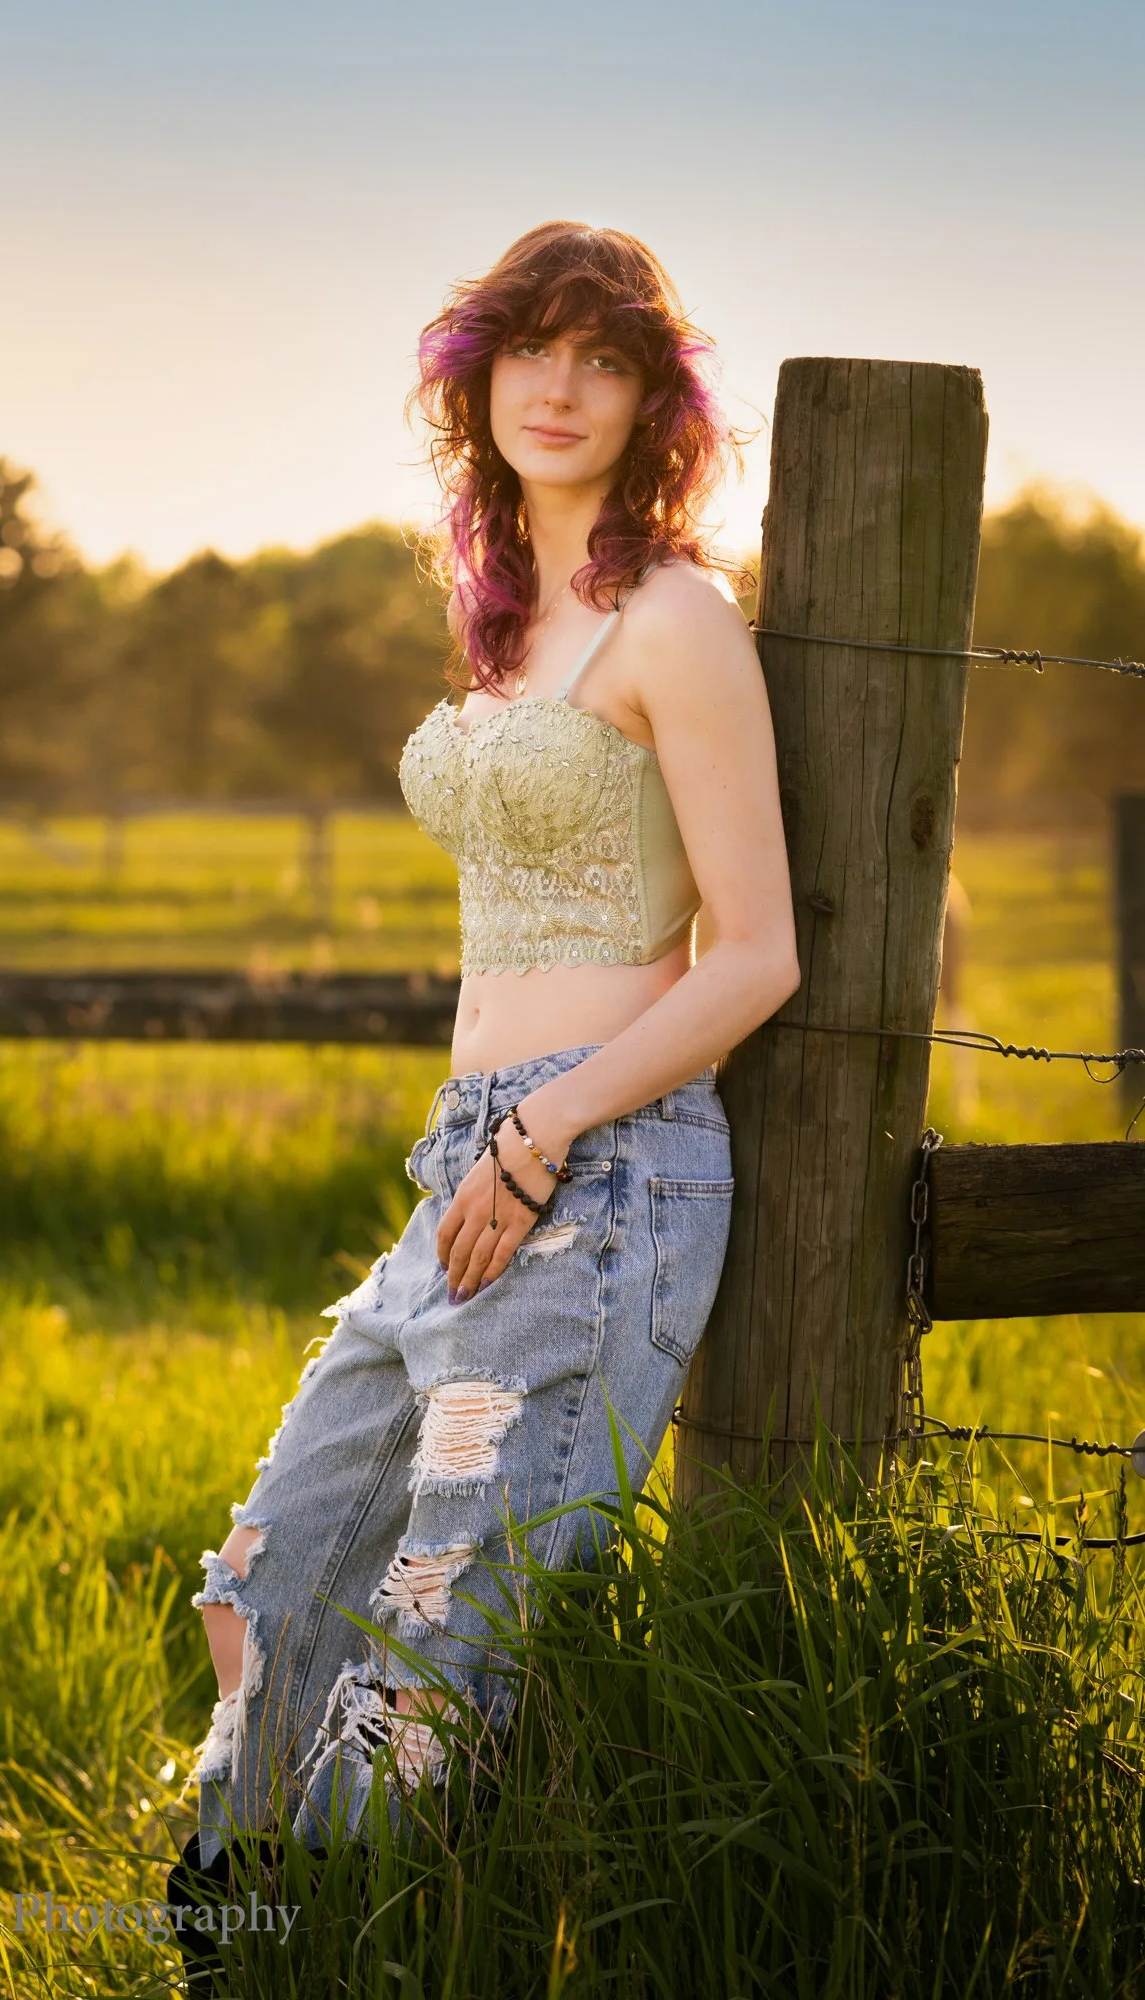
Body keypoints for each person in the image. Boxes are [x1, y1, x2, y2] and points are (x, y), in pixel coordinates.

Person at [174, 220, 800, 1909]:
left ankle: (367, 1936)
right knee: (266, 1573)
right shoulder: (510, 619)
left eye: (608, 358)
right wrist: (490, 1138)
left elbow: (754, 954)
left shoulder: (676, 621)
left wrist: (548, 1130)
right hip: (471, 1152)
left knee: (438, 1623)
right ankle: (240, 1912)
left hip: (605, 1167)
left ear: (655, 402)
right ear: (481, 374)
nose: (564, 385)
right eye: (537, 346)